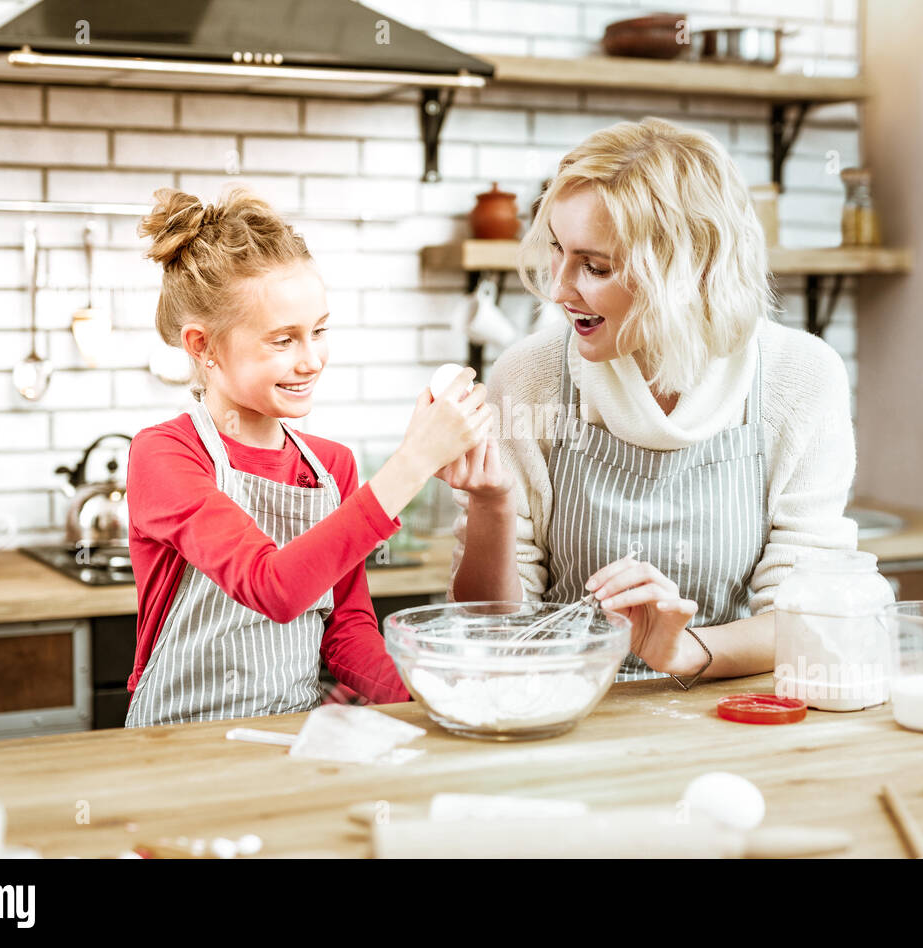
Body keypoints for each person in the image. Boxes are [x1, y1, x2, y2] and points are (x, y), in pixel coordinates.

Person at [443, 117, 858, 685]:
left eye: (595, 266)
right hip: (562, 706)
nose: (559, 289)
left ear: (689, 271)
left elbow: (807, 613)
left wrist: (685, 650)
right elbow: (487, 625)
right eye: (559, 252)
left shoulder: (799, 376)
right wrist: (491, 508)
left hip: (730, 712)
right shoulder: (531, 375)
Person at [125, 187, 491, 726]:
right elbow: (273, 587)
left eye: (319, 331)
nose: (312, 359)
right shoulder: (165, 455)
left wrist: (430, 699)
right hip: (178, 745)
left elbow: (345, 631)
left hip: (289, 737)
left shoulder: (331, 467)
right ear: (202, 346)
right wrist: (413, 462)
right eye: (283, 340)